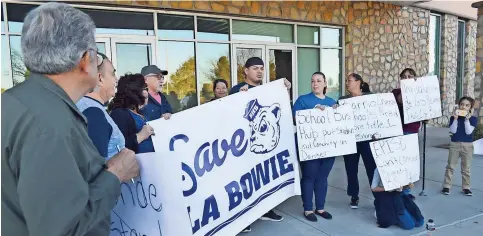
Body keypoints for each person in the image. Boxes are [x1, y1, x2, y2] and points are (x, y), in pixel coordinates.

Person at [1, 3, 139, 235]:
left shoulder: (17, 102)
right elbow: (62, 229)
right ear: (85, 60)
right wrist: (115, 175)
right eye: (98, 54)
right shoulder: (49, 124)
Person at [229, 56, 291, 233]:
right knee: (245, 183)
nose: (259, 71)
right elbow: (229, 115)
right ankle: (243, 218)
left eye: (262, 68)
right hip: (244, 147)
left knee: (263, 180)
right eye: (255, 68)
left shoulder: (267, 90)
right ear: (246, 71)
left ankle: (265, 210)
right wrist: (238, 97)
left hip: (264, 148)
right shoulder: (237, 89)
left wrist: (285, 88)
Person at [293, 72, 338, 222]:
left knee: (322, 178)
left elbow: (339, 123)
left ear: (325, 83)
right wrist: (313, 113)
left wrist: (337, 111)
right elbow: (294, 119)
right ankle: (307, 209)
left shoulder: (332, 102)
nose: (315, 84)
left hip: (328, 147)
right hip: (309, 147)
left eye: (319, 81)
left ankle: (320, 207)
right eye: (312, 81)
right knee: (309, 177)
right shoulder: (303, 100)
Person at [338, 73, 377, 209]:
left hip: (367, 140)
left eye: (349, 81)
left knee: (372, 168)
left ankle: (378, 195)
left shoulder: (370, 97)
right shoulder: (343, 100)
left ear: (358, 82)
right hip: (350, 141)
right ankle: (354, 195)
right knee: (351, 169)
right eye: (347, 81)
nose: (347, 83)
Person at [76, 52, 125, 160]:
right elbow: (94, 170)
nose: (116, 79)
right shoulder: (93, 113)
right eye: (112, 74)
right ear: (99, 79)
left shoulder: (87, 107)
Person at [392, 68, 420, 200]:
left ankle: (406, 191)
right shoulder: (396, 92)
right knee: (399, 161)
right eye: (404, 76)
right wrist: (407, 88)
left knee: (409, 162)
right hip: (399, 130)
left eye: (410, 76)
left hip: (412, 130)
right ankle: (398, 188)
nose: (407, 78)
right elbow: (401, 100)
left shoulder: (420, 92)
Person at [109, 73, 155, 154]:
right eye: (145, 88)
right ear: (135, 92)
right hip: (137, 164)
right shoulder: (119, 114)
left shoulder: (140, 112)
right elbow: (116, 147)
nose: (147, 92)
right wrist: (140, 136)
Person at [442, 96, 477, 196]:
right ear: (459, 105)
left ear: (470, 107)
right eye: (462, 104)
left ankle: (466, 187)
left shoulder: (473, 119)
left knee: (466, 168)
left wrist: (467, 120)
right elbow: (453, 131)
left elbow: (468, 132)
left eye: (467, 105)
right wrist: (456, 119)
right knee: (450, 166)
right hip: (455, 144)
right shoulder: (453, 117)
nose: (464, 107)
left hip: (467, 145)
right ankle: (446, 186)